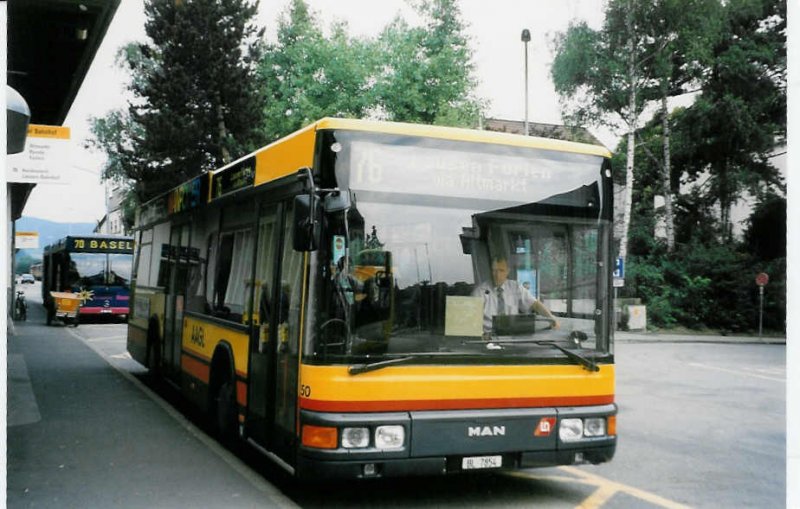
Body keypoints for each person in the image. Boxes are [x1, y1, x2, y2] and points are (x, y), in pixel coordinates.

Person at [473, 257, 560, 333]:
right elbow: (471, 321)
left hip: (512, 336)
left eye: (501, 270)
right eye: (494, 270)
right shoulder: (479, 292)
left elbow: (535, 304)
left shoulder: (515, 287)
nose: (497, 274)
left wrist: (551, 317)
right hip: (488, 336)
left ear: (507, 271)